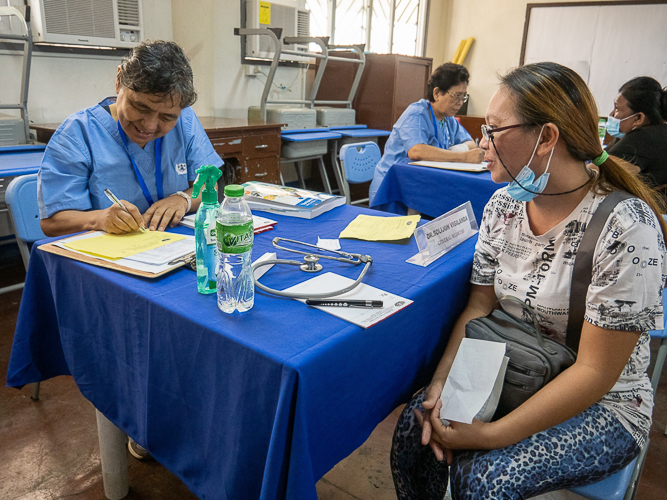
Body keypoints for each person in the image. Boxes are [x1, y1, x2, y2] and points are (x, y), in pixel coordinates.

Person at [390, 62, 667, 499]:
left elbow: (594, 372)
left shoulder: (627, 227)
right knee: (416, 426)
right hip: (515, 364)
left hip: (604, 402)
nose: (482, 143)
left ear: (547, 138)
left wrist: (490, 436)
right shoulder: (502, 206)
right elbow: (480, 307)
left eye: (494, 130)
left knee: (483, 477)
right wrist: (444, 381)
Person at [38, 40, 223, 237]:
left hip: (173, 245)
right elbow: (51, 222)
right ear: (119, 81)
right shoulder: (77, 134)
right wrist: (99, 219)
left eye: (166, 117)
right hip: (109, 255)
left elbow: (208, 185)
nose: (149, 126)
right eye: (141, 108)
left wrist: (182, 199)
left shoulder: (184, 120)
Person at [368, 63, 484, 205]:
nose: (460, 103)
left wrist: (458, 149)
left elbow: (471, 143)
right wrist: (461, 157)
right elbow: (416, 151)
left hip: (419, 186)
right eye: (456, 96)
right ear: (437, 93)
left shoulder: (449, 120)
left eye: (463, 97)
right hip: (392, 189)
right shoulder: (417, 113)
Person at [606, 77, 667, 201]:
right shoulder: (658, 130)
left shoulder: (642, 138)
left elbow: (600, 178)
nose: (612, 114)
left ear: (639, 118)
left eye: (617, 108)